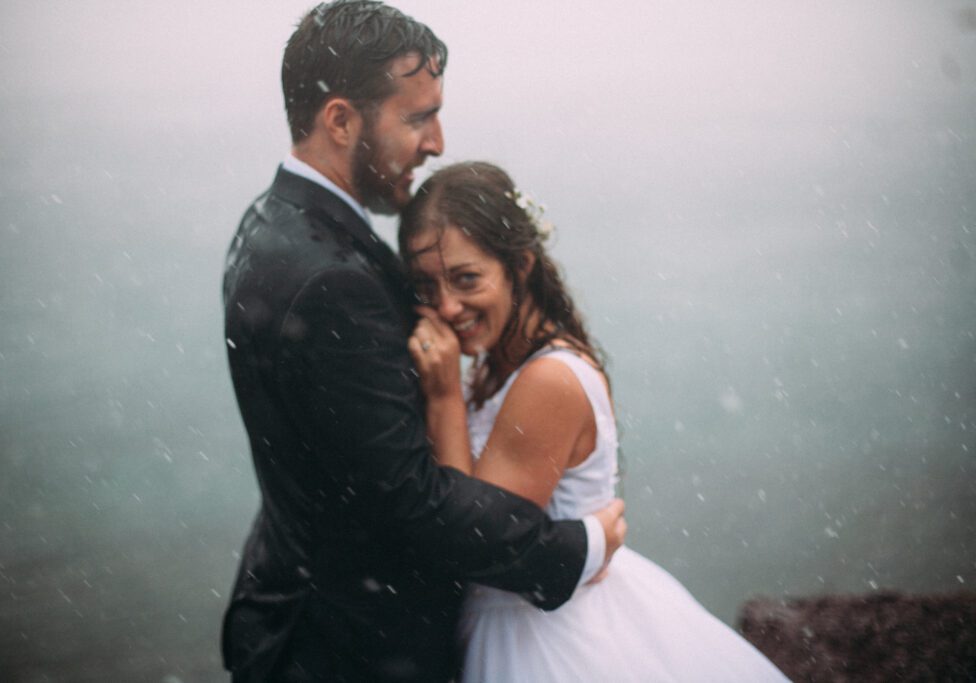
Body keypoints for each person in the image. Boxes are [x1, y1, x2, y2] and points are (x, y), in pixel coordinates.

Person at [220, 3, 626, 681]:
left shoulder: (269, 223)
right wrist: (576, 546)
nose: (436, 142)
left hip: (293, 614)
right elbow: (412, 502)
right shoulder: (330, 281)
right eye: (416, 118)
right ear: (341, 119)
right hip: (350, 650)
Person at [400, 161, 791, 682]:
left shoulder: (548, 380)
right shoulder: (499, 363)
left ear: (520, 266)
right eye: (427, 287)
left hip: (543, 641)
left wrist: (445, 395)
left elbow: (473, 541)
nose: (446, 307)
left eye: (467, 279)